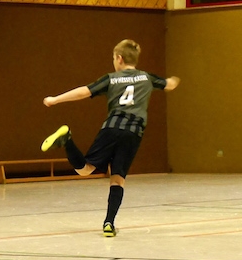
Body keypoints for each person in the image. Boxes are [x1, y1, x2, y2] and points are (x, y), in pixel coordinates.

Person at [40, 40, 179, 237]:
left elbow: (84, 91)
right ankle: (108, 223)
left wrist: (55, 99)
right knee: (118, 178)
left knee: (85, 169)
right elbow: (169, 85)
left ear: (119, 59)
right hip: (133, 133)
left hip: (112, 128)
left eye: (113, 58)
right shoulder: (147, 77)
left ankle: (67, 139)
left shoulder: (111, 79)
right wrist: (174, 80)